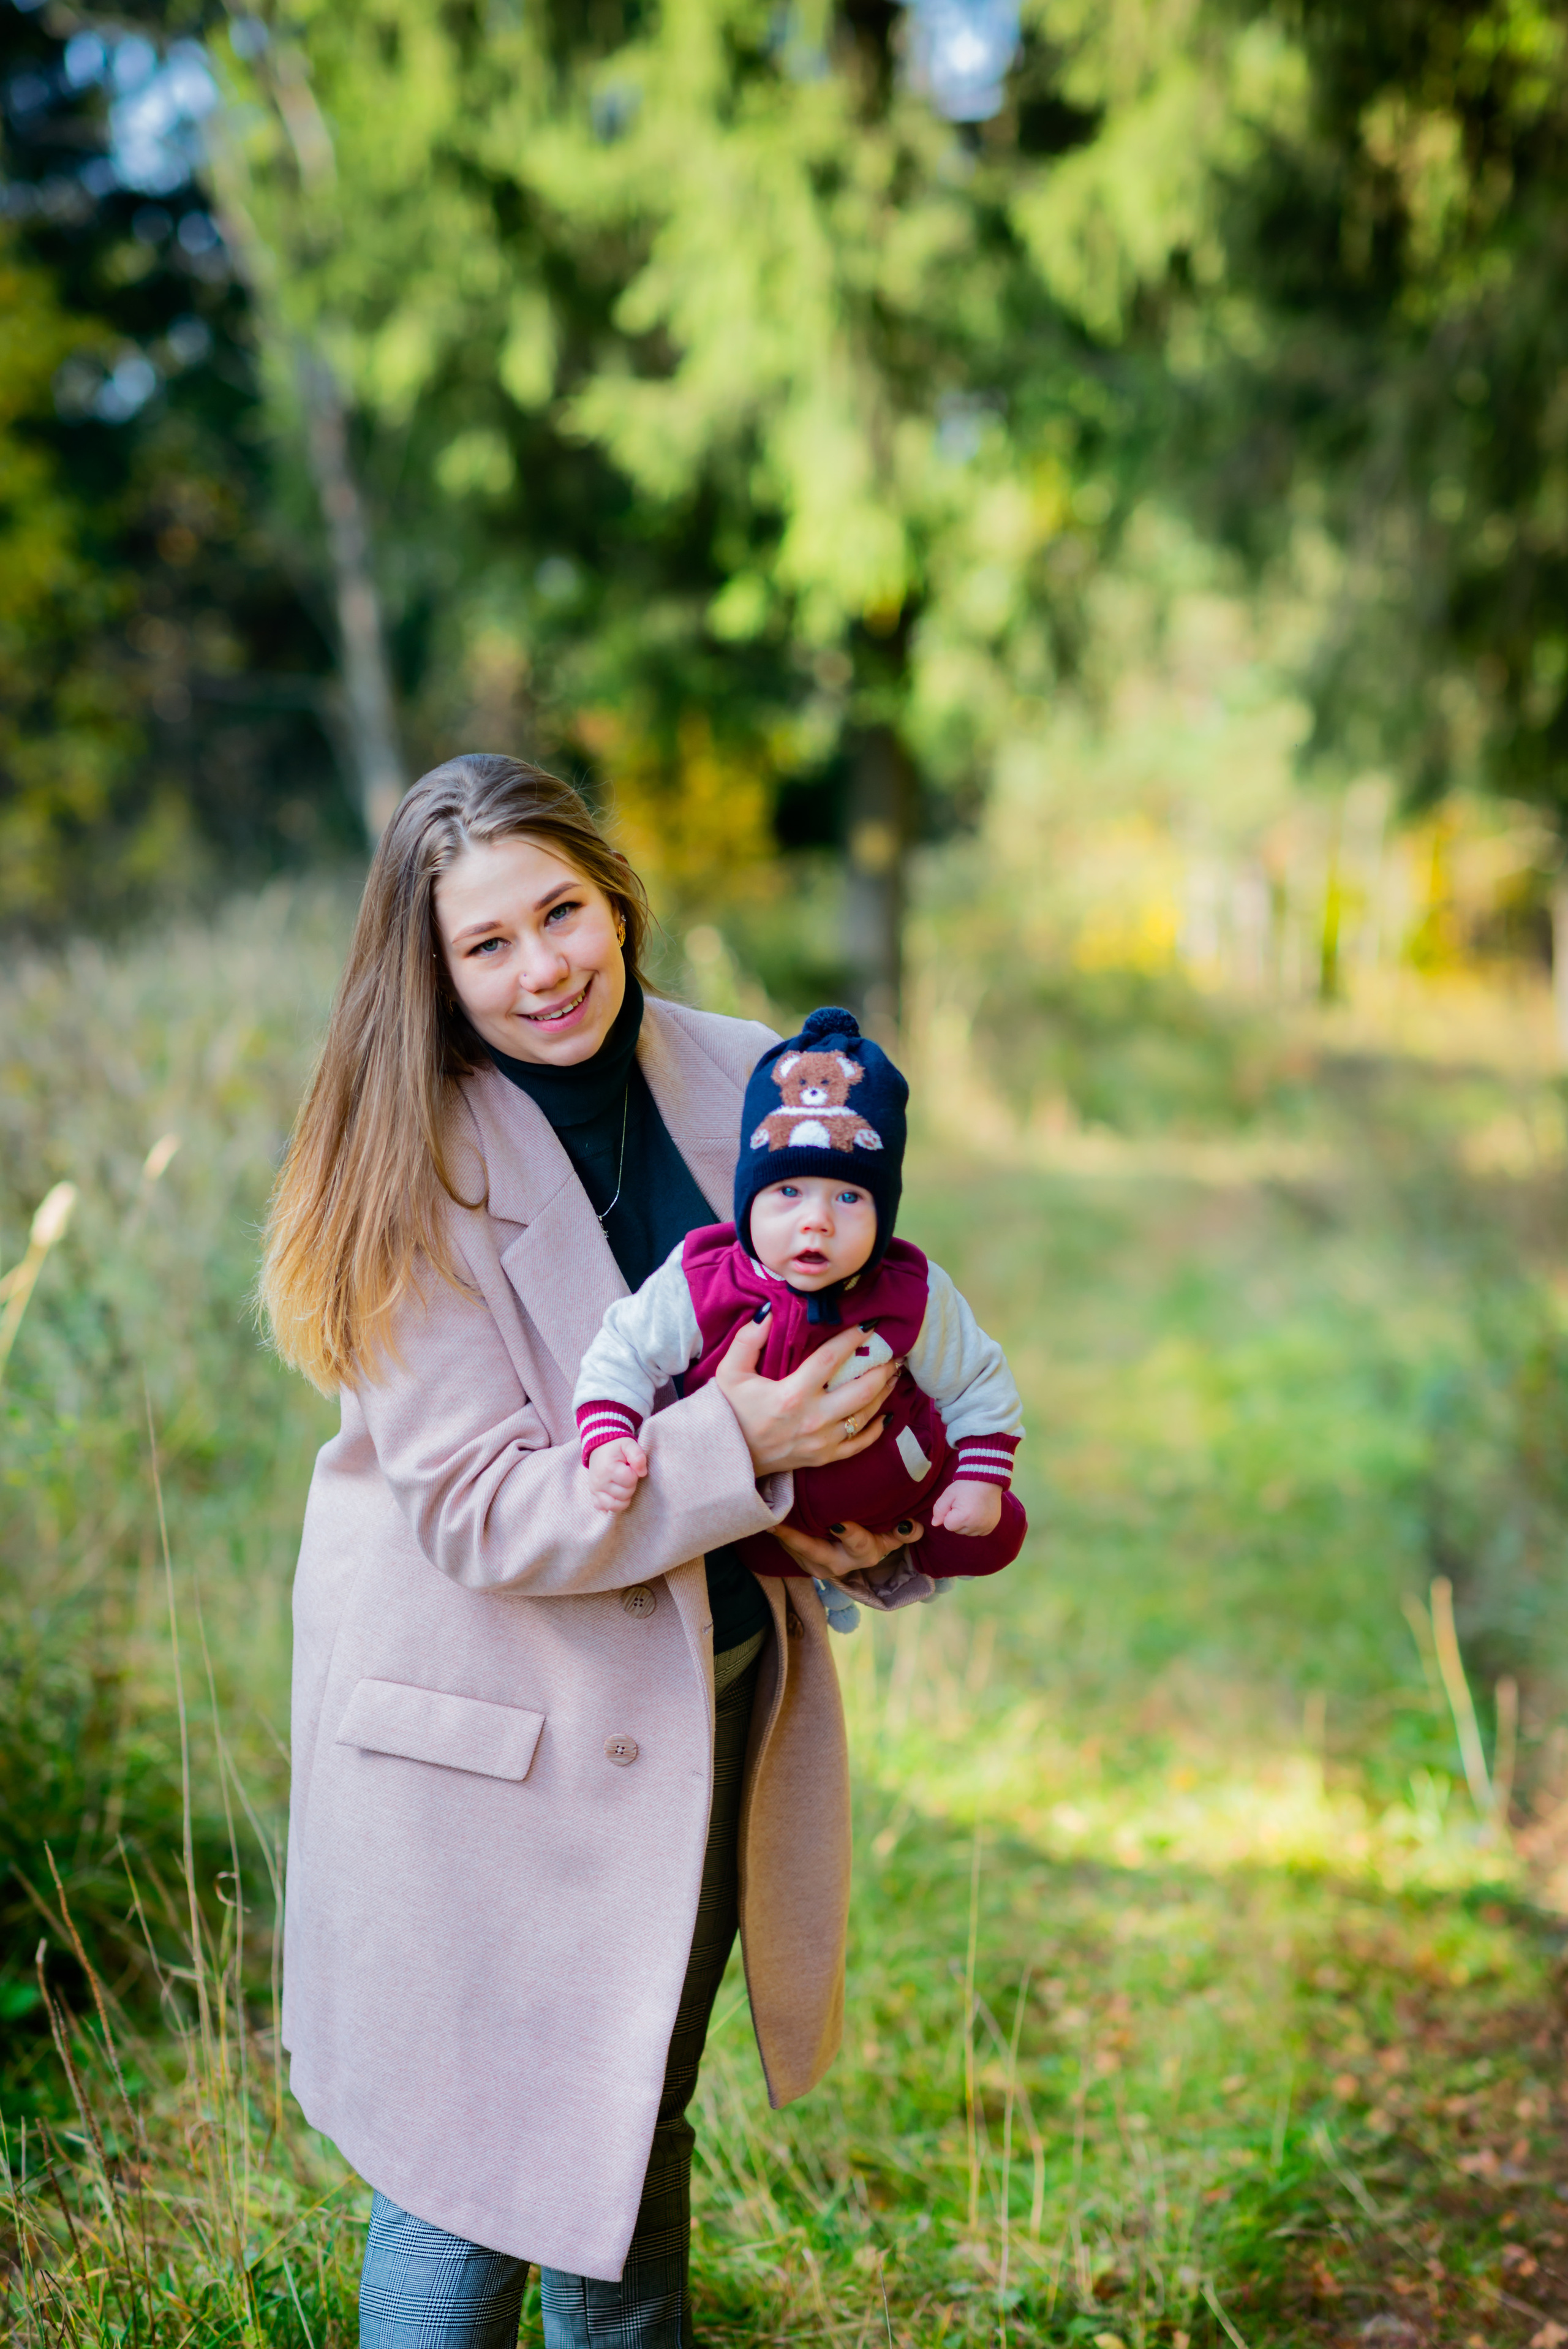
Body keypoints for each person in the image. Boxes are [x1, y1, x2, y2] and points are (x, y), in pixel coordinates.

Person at [259, 753, 911, 2349]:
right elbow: (483, 1506)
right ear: (432, 969)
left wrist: (871, 1499)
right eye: (488, 944)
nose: (544, 965)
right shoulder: (404, 1161)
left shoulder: (754, 1080)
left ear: (616, 894)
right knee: (466, 2187)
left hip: (698, 1703)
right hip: (484, 1735)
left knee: (633, 2129)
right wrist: (741, 1449)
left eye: (561, 909)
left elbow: (842, 1319)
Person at [574, 1006, 1027, 1595]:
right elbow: (625, 1348)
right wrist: (611, 1437)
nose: (816, 1223)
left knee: (994, 1533)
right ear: (747, 1201)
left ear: (885, 1214)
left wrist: (980, 1476)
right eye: (788, 1192)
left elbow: (974, 1379)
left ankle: (902, 1560)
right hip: (757, 1516)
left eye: (848, 1198)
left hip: (901, 1493)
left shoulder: (909, 1289)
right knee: (734, 1557)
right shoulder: (704, 1276)